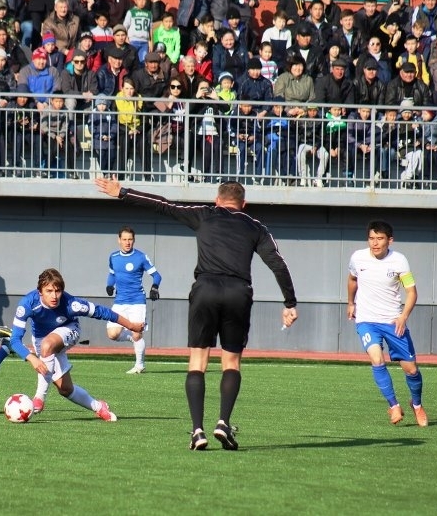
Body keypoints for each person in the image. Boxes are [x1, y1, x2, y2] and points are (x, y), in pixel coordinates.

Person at [95, 178, 298, 450]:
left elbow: (163, 205)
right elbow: (277, 263)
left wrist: (123, 193)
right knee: (231, 362)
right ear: (244, 204)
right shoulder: (256, 227)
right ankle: (223, 422)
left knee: (198, 362)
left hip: (205, 291)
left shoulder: (205, 214)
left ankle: (198, 431)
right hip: (238, 293)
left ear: (217, 200)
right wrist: (289, 302)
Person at [8, 268, 144, 419]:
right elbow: (14, 340)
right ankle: (99, 407)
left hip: (69, 329)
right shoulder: (27, 304)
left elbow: (103, 312)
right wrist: (31, 358)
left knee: (47, 345)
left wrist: (131, 326)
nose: (54, 296)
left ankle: (39, 397)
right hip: (41, 339)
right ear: (40, 291)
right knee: (65, 389)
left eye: (58, 291)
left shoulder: (71, 304)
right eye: (49, 291)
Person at [347, 220, 428, 427]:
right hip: (366, 320)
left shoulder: (399, 261)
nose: (375, 243)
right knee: (377, 359)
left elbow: (412, 292)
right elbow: (352, 280)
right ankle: (393, 405)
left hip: (393, 321)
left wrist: (403, 316)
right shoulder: (358, 257)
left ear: (389, 240)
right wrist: (351, 303)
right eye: (371, 238)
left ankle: (417, 405)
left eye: (380, 239)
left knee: (411, 370)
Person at [105, 226, 162, 374]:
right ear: (119, 240)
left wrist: (154, 287)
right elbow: (112, 274)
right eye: (124, 239)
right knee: (112, 334)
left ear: (134, 240)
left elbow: (157, 275)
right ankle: (132, 338)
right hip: (120, 301)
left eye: (130, 239)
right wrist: (109, 285)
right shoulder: (113, 257)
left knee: (137, 333)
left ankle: (139, 365)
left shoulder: (141, 257)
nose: (127, 242)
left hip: (137, 301)